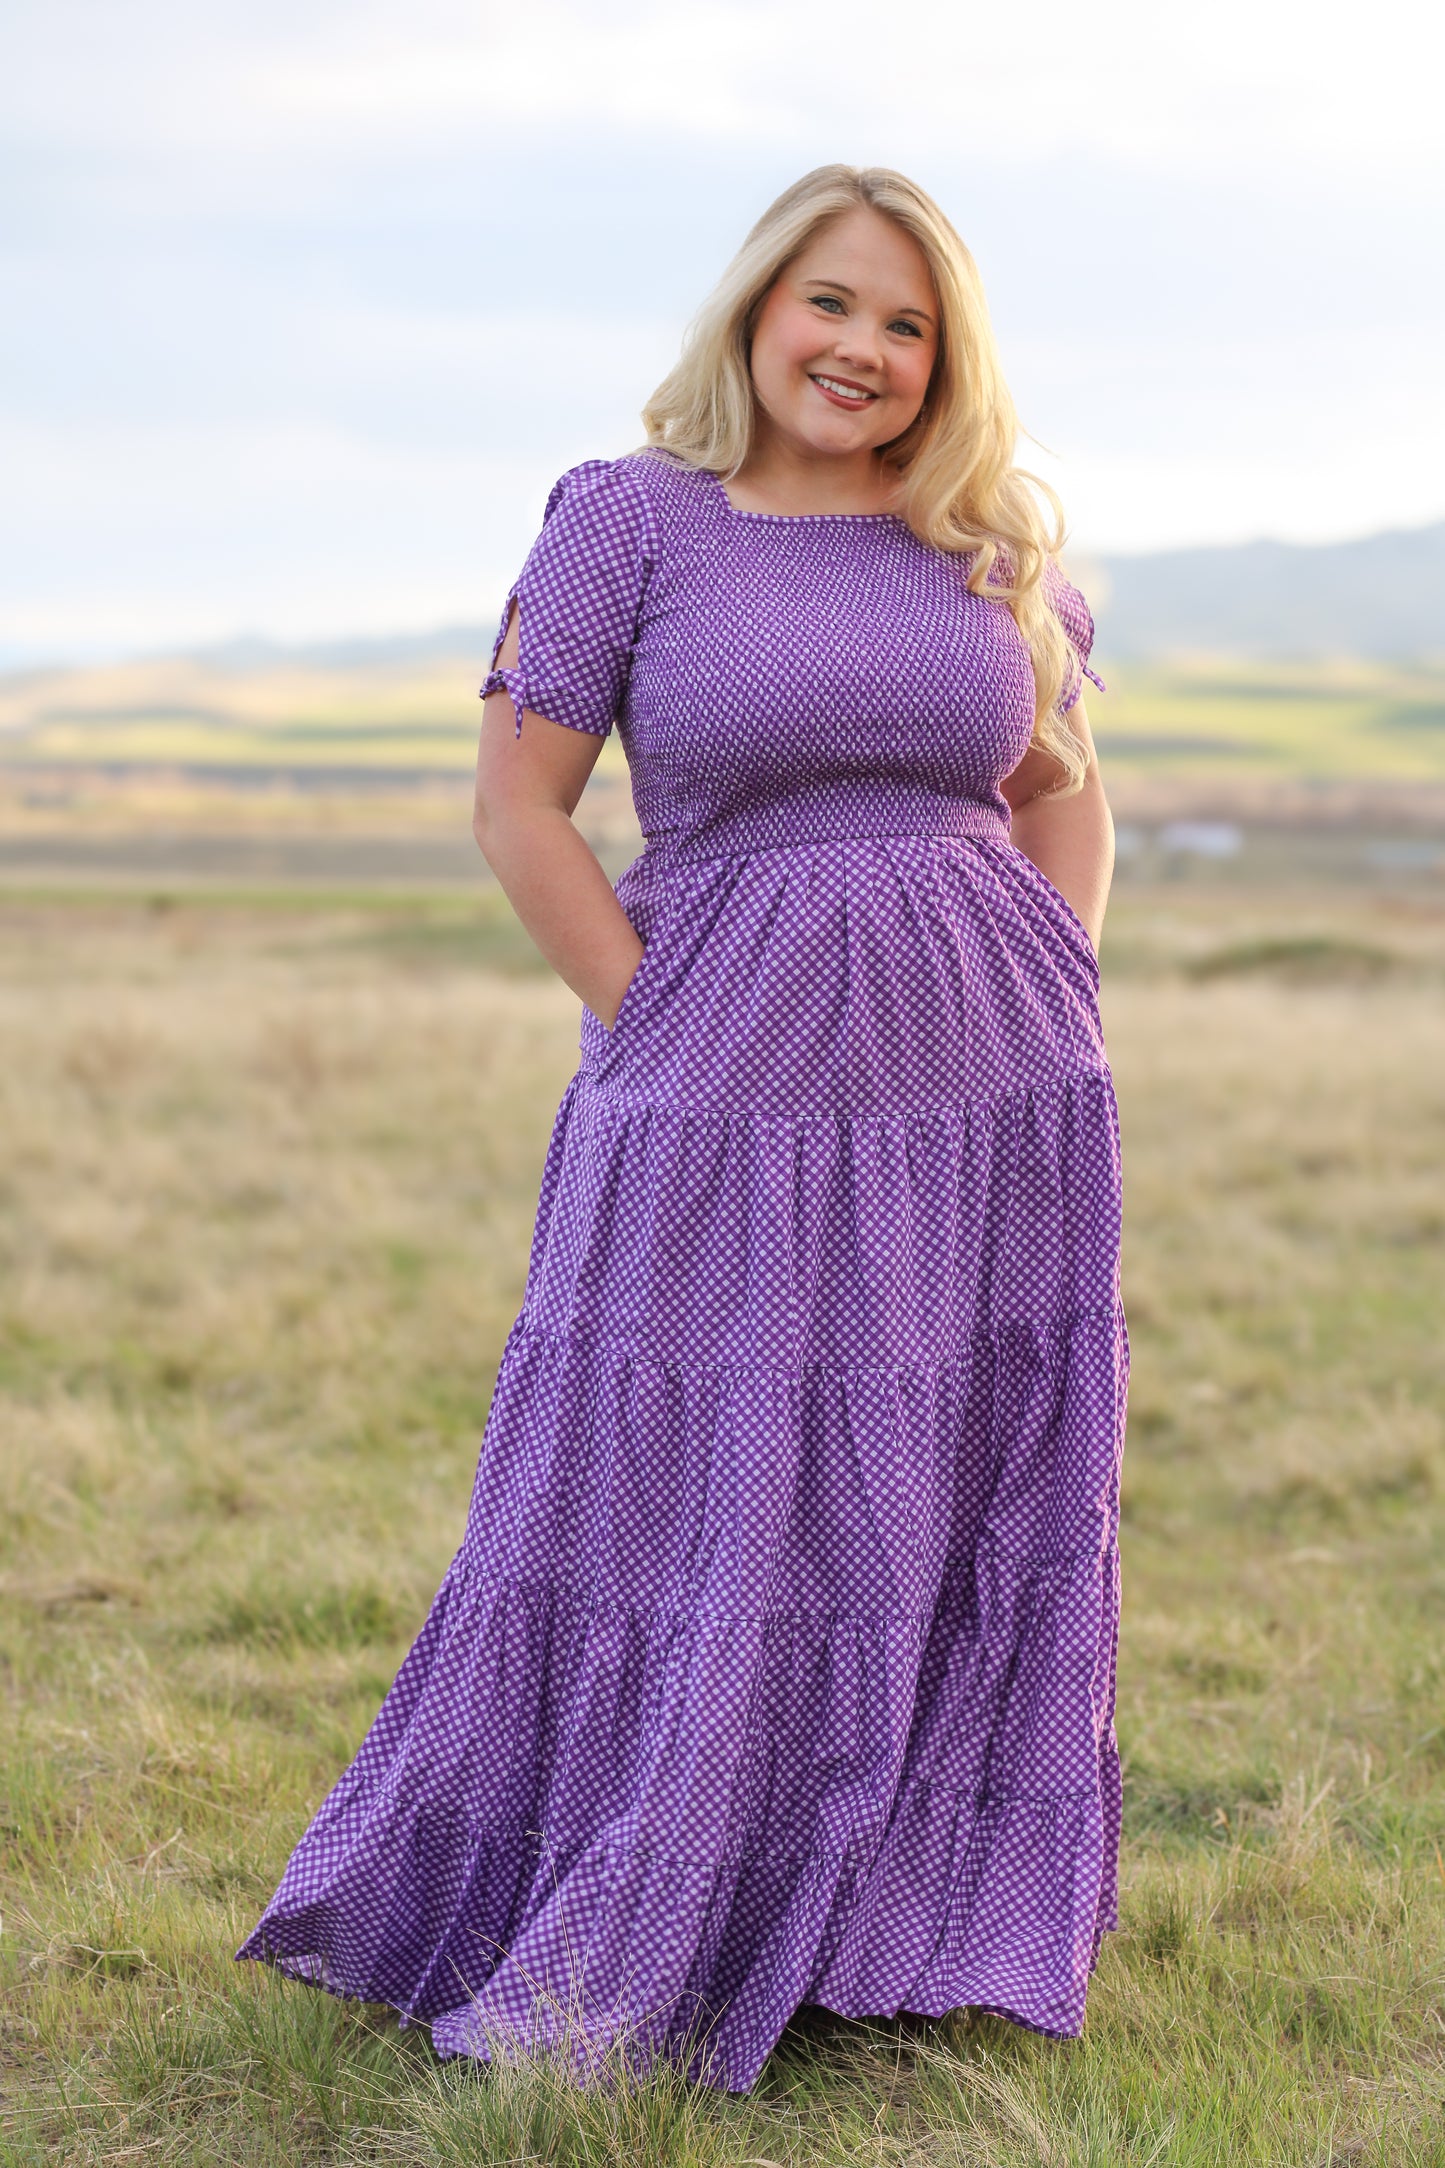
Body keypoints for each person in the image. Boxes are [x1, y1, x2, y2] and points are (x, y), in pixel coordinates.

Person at [238, 162, 1128, 2095]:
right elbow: (519, 807)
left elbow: (1060, 788)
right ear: (753, 310)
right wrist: (652, 1023)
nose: (864, 352)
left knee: (944, 1486)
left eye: (908, 325)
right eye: (832, 304)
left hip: (986, 1103)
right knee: (691, 1490)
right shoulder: (631, 521)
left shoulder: (992, 550)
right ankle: (638, 1910)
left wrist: (1047, 990)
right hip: (718, 1082)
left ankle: (898, 1921)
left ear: (945, 361)